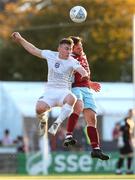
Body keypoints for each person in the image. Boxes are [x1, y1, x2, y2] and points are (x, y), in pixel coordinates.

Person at [11, 32, 89, 137]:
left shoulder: (72, 61)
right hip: (50, 92)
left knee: (72, 98)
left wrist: (84, 75)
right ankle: (43, 120)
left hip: (63, 92)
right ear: (59, 49)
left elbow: (82, 70)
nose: (69, 51)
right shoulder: (50, 55)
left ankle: (57, 123)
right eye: (66, 48)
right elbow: (33, 49)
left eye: (70, 49)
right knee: (39, 109)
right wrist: (20, 39)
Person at [63, 36, 109, 160]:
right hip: (75, 88)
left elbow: (84, 75)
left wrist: (90, 83)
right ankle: (68, 135)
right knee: (78, 106)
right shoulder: (69, 58)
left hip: (87, 89)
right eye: (78, 47)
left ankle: (96, 149)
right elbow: (70, 77)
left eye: (81, 46)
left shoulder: (83, 55)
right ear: (72, 48)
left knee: (92, 119)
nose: (81, 49)